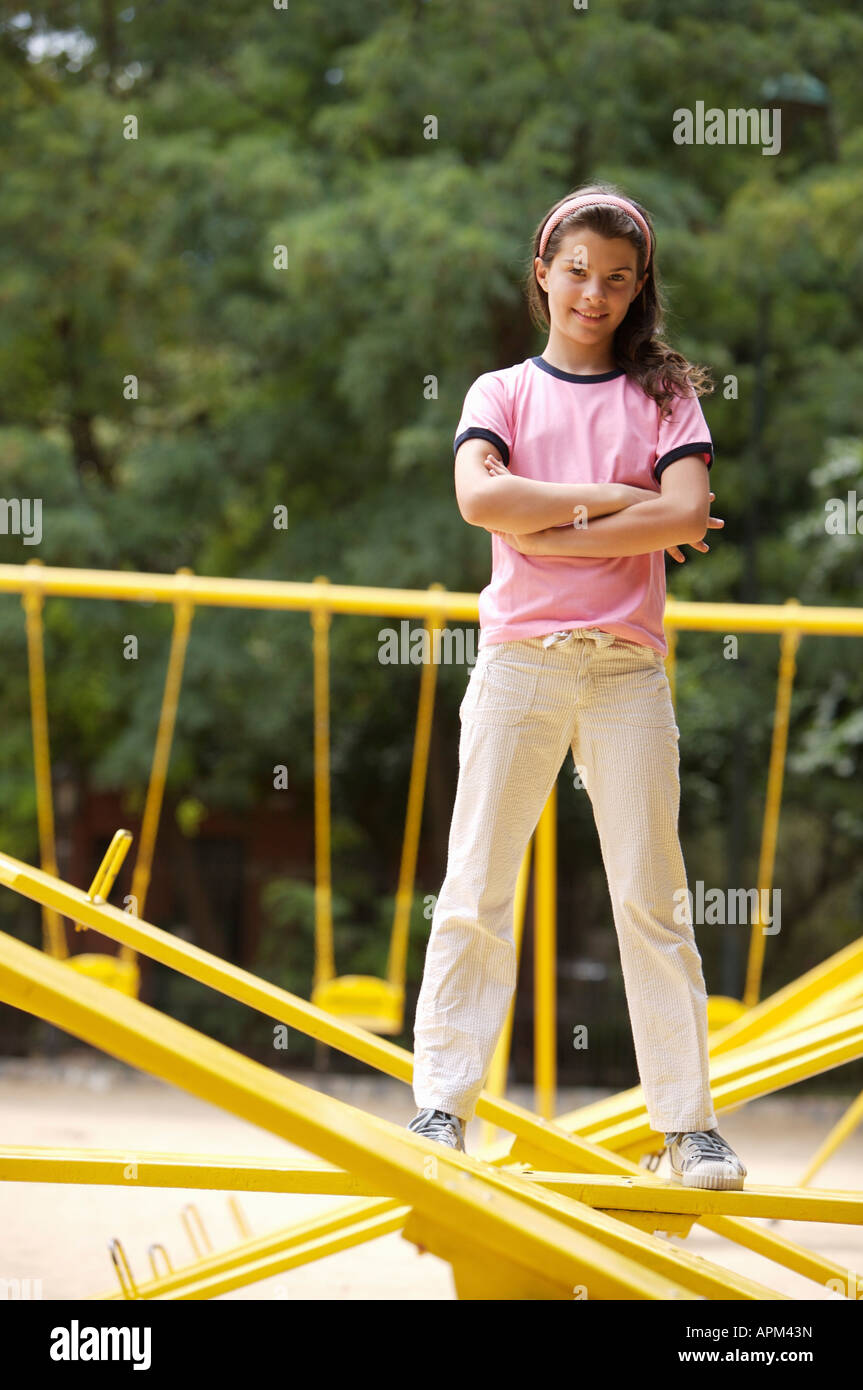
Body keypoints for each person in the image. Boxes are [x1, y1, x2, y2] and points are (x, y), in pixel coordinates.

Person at [406, 182, 747, 1191]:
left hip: (624, 672)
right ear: (541, 276)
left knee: (651, 893)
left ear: (636, 287)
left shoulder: (663, 396)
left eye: (614, 279)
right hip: (520, 663)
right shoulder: (499, 392)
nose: (591, 294)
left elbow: (684, 513)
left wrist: (549, 516)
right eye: (574, 274)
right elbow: (480, 499)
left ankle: (687, 1129)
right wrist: (614, 498)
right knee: (474, 883)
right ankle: (440, 1105)